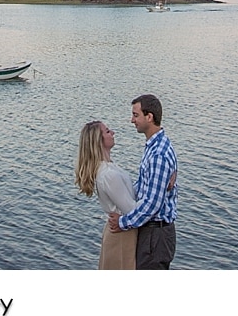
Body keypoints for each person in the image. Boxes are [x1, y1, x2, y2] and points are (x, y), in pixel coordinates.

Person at [108, 93, 178, 269]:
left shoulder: (158, 154)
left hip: (156, 235)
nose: (132, 120)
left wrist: (122, 223)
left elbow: (152, 203)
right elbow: (144, 186)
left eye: (135, 115)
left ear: (149, 117)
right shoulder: (154, 146)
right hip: (152, 232)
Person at [75, 120, 138, 269]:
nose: (113, 133)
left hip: (122, 232)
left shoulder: (109, 168)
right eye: (108, 131)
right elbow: (132, 209)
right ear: (99, 140)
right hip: (122, 236)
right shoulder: (108, 175)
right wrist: (157, 199)